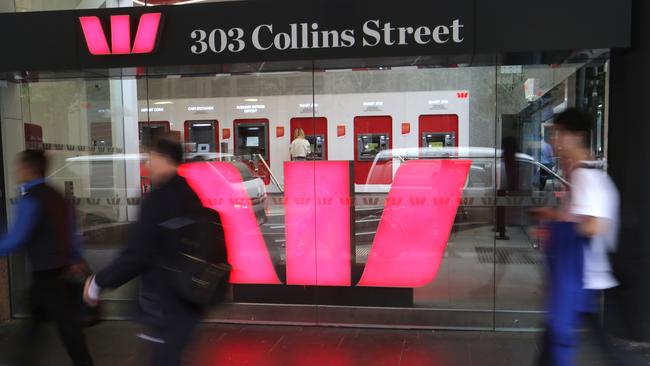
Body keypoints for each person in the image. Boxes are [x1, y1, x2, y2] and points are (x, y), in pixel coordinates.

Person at [83, 138, 207, 366]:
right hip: (190, 296)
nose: (148, 165)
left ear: (164, 158)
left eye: (150, 158)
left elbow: (138, 254)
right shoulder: (189, 192)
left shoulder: (158, 199)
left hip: (165, 301)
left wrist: (98, 282)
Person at [533, 108, 635, 366]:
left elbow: (593, 226)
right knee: (562, 337)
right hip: (579, 275)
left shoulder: (587, 177)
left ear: (576, 136)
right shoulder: (581, 174)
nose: (554, 141)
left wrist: (558, 222)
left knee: (559, 337)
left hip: (579, 275)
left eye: (559, 134)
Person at [0, 150, 94, 366]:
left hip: (47, 275)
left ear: (28, 169)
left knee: (66, 328)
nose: (17, 170)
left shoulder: (31, 199)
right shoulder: (57, 195)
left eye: (19, 166)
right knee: (38, 321)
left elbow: (16, 237)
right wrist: (75, 258)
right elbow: (72, 233)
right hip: (58, 270)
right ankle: (21, 361)